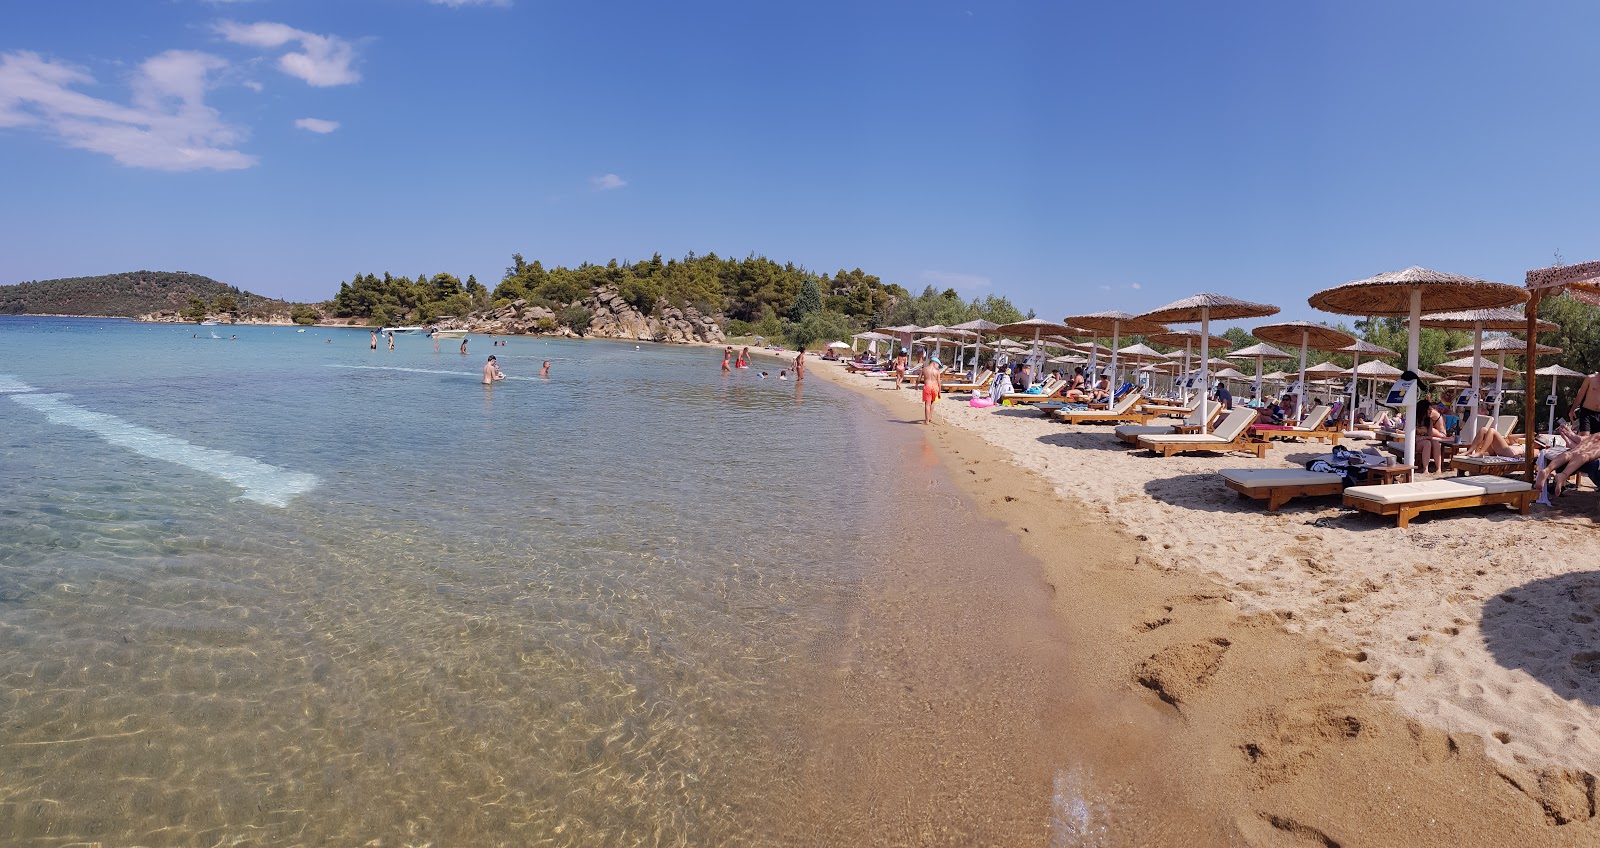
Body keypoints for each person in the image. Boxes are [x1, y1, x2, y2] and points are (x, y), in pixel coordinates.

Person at [1415, 395, 1449, 473]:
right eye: (1429, 410)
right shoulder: (1415, 419)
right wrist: (1420, 438)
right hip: (1415, 442)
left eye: (1431, 409)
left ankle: (1438, 469)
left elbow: (1430, 435)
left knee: (1435, 443)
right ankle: (1425, 470)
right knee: (1427, 443)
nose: (1431, 411)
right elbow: (1410, 435)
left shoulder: (1429, 421)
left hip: (1423, 439)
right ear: (1423, 410)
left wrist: (1423, 438)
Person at [922, 357, 943, 424]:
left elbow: (919, 379)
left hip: (927, 387)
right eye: (938, 365)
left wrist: (916, 385)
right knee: (932, 403)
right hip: (935, 388)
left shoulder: (924, 369)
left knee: (927, 404)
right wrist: (939, 392)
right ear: (934, 363)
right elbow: (939, 383)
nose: (938, 367)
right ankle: (930, 417)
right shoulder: (937, 372)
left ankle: (927, 420)